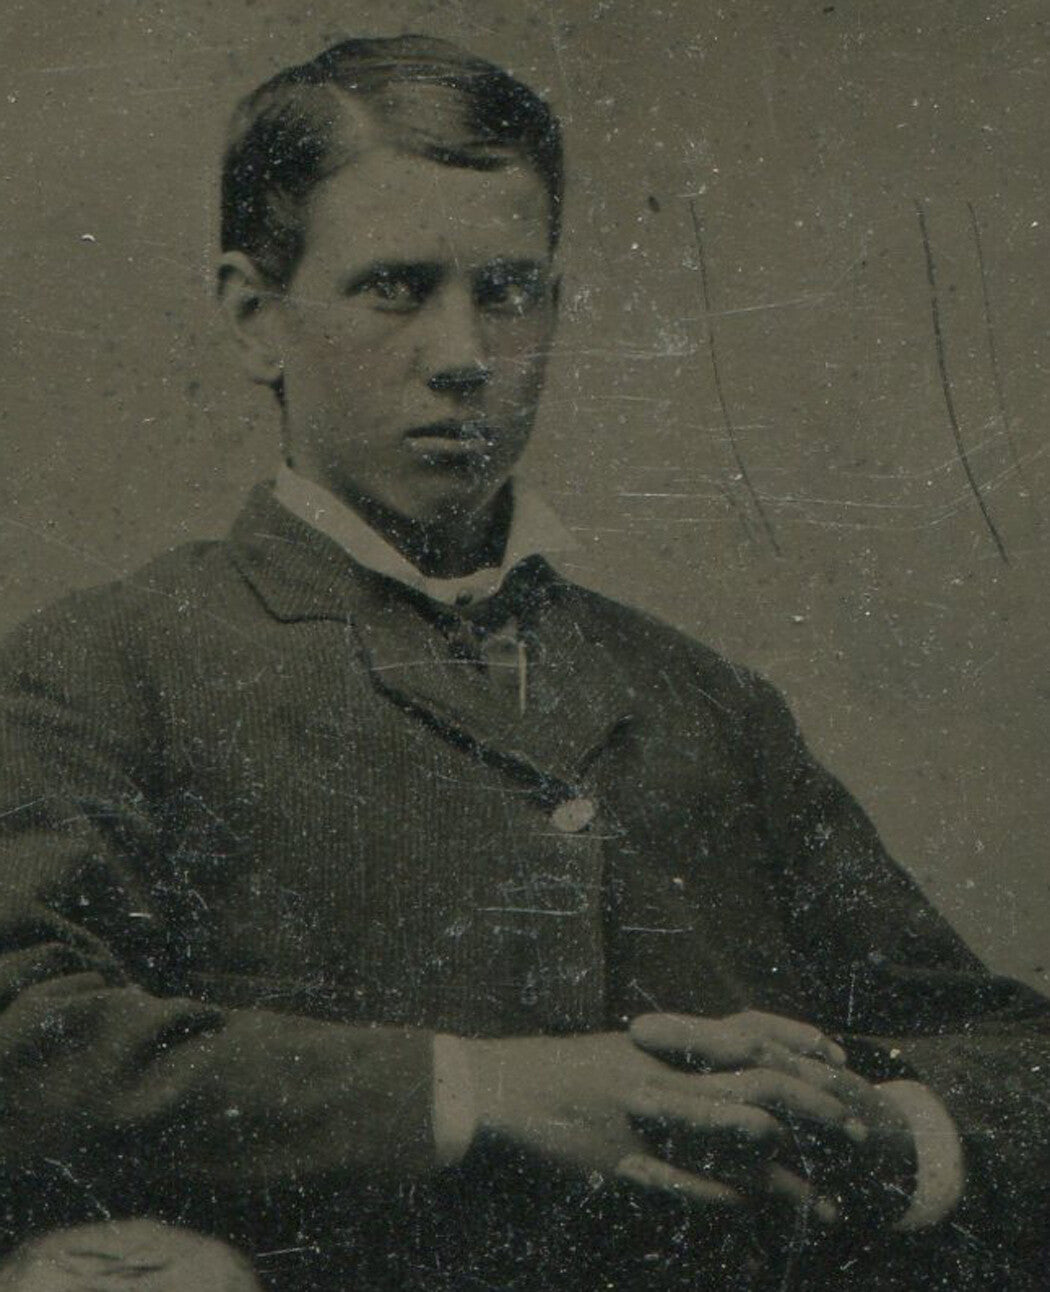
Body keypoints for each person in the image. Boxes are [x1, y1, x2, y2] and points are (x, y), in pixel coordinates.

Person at [0, 34, 1046, 1291]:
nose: (464, 352)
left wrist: (884, 1130)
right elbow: (25, 1033)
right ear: (254, 316)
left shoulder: (699, 697)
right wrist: (480, 1088)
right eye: (396, 286)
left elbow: (1006, 1054)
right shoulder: (106, 668)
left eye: (509, 289)